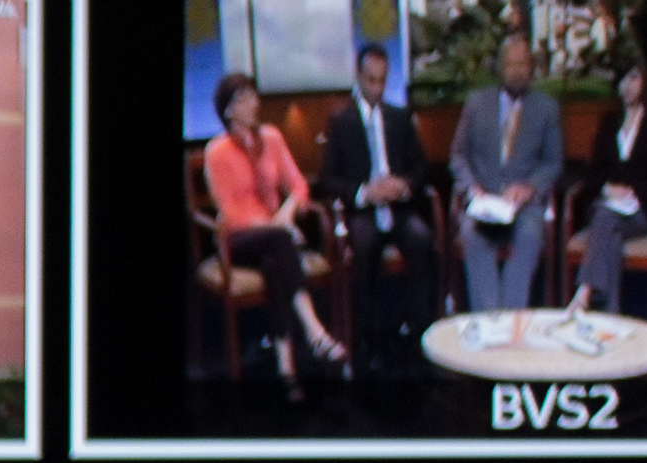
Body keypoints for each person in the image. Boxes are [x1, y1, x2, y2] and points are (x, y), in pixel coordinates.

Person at [202, 73, 351, 397]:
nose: (255, 102)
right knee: (281, 241)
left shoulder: (271, 137)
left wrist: (286, 212)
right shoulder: (217, 152)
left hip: (274, 238)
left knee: (275, 260)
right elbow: (230, 214)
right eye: (245, 98)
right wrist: (276, 225)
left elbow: (298, 185)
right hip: (238, 240)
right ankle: (315, 333)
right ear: (229, 110)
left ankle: (286, 367)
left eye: (254, 94)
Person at [328, 42, 431, 368]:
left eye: (382, 80)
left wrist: (403, 186)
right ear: (358, 77)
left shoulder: (400, 118)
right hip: (364, 210)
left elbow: (421, 170)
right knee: (365, 243)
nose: (376, 87)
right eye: (370, 80)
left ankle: (416, 327)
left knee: (421, 239)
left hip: (398, 208)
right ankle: (369, 336)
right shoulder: (340, 121)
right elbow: (329, 179)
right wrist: (364, 192)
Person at [455, 29, 561, 323]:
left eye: (524, 64)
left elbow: (553, 162)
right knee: (472, 235)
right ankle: (491, 321)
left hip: (523, 206)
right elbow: (458, 155)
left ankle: (512, 321)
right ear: (501, 68)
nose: (517, 71)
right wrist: (472, 188)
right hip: (484, 201)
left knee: (529, 236)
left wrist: (528, 188)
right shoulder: (476, 104)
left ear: (532, 68)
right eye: (511, 64)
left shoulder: (546, 109)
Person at [572, 63, 647, 321]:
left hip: (639, 209)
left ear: (643, 82)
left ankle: (584, 293)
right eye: (622, 79)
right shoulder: (609, 122)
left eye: (633, 78)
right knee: (610, 230)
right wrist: (609, 189)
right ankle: (611, 316)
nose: (627, 86)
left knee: (603, 217)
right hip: (609, 207)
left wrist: (630, 192)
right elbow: (593, 172)